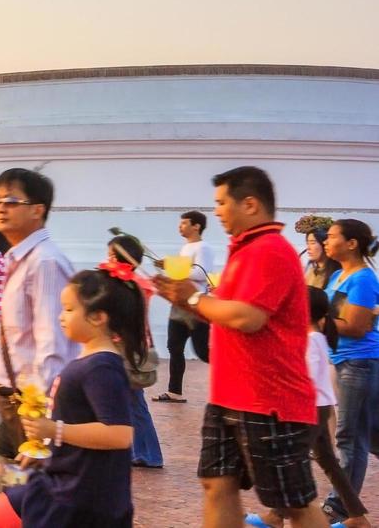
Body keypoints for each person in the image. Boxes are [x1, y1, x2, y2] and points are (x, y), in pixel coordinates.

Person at [153, 166, 328, 528]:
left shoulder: (269, 250)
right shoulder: (245, 250)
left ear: (249, 204)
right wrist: (186, 300)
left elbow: (248, 318)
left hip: (269, 398)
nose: (216, 211)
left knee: (293, 503)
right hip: (230, 394)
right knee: (217, 484)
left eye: (221, 203)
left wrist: (195, 296)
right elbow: (224, 312)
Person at [0, 266, 141, 528]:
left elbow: (119, 433)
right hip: (67, 482)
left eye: (70, 310)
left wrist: (54, 430)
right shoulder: (90, 360)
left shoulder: (101, 367)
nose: (61, 317)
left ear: (98, 317)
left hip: (80, 493)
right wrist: (47, 444)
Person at [0, 168, 76, 502]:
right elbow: (24, 330)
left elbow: (53, 346)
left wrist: (39, 424)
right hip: (12, 407)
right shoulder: (17, 258)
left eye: (11, 201)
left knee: (17, 503)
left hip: (30, 411)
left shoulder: (44, 263)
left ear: (38, 209)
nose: (0, 208)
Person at [249, 287, 371, 528]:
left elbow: (308, 376)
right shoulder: (313, 338)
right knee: (328, 463)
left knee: (292, 459)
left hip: (309, 409)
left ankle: (276, 516)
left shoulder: (312, 339)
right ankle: (357, 517)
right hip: (316, 407)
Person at [321, 218, 379, 522]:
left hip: (360, 362)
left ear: (352, 243)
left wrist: (316, 322)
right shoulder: (338, 277)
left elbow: (356, 326)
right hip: (343, 361)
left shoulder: (364, 279)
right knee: (366, 435)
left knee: (349, 438)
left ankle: (339, 506)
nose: (326, 242)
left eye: (331, 237)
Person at [106, 235, 162, 469]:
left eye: (110, 255)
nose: (107, 259)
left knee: (135, 403)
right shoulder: (136, 283)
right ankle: (139, 451)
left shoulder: (131, 285)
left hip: (125, 347)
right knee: (132, 403)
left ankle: (150, 454)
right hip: (130, 346)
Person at [153, 209, 216, 404]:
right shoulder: (185, 248)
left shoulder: (203, 247)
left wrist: (174, 266)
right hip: (179, 304)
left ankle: (232, 383)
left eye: (184, 223)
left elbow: (200, 273)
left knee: (204, 351)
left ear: (196, 226)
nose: (180, 227)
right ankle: (174, 391)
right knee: (174, 346)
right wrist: (169, 266)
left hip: (195, 305)